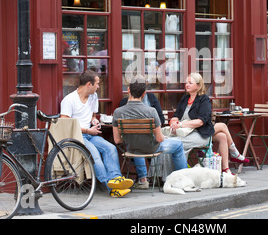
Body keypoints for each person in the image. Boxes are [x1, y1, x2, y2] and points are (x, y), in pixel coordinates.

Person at [60, 70, 133, 198]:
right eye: (97, 84)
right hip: (77, 136)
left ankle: (117, 180)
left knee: (110, 148)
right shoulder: (69, 100)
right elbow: (65, 125)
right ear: (89, 84)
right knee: (95, 156)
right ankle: (109, 186)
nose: (99, 87)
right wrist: (88, 130)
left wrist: (94, 120)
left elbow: (92, 116)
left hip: (90, 134)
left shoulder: (93, 97)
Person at [112, 76, 187, 189]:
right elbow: (159, 139)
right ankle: (182, 180)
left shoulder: (118, 112)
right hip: (151, 148)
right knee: (178, 145)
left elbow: (117, 140)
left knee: (136, 144)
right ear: (144, 93)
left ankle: (143, 180)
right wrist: (163, 137)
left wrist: (130, 138)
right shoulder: (151, 111)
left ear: (128, 90)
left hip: (132, 148)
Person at [166, 73, 247, 176]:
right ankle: (234, 155)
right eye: (186, 82)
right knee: (222, 132)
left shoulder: (204, 99)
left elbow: (201, 122)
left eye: (190, 83)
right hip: (187, 132)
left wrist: (181, 125)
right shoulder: (185, 99)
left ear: (198, 86)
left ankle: (226, 168)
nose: (187, 84)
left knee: (222, 131)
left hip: (200, 130)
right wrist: (173, 122)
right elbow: (176, 115)